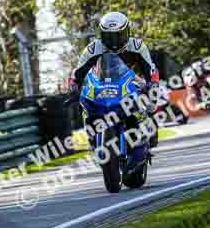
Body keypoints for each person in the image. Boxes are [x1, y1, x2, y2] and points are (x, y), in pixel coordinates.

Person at [68, 11, 161, 146]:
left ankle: (150, 123)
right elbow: (77, 73)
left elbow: (150, 68)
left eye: (119, 36)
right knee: (85, 101)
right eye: (109, 37)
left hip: (130, 79)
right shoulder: (93, 49)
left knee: (151, 100)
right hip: (102, 83)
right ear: (101, 35)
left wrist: (152, 83)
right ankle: (92, 133)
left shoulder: (137, 46)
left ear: (127, 32)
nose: (115, 42)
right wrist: (73, 87)